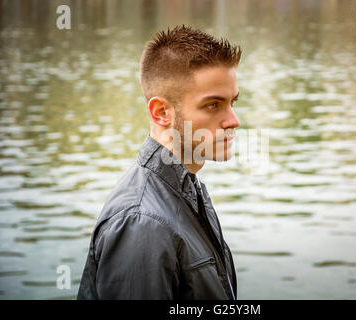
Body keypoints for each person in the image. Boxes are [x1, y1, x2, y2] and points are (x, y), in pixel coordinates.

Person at [77, 25, 242, 299]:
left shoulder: (188, 192)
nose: (233, 120)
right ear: (161, 112)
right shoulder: (142, 223)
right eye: (213, 104)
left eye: (233, 102)